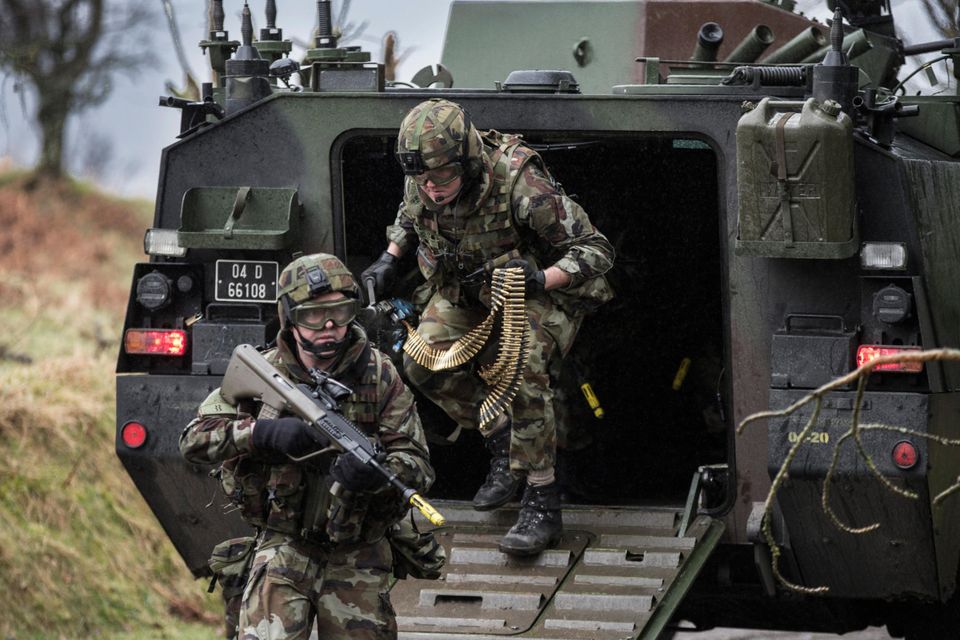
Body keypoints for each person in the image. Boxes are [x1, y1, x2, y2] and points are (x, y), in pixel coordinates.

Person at [362, 98, 614, 556]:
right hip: (467, 290)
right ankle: (501, 438)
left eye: (443, 179)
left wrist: (542, 277)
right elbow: (409, 217)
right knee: (420, 364)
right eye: (423, 180)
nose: (433, 190)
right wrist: (390, 258)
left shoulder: (520, 183)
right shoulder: (423, 176)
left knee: (521, 370)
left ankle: (541, 499)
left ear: (468, 161)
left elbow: (596, 251)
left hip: (540, 290)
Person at [180, 253, 434, 640]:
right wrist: (261, 434)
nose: (330, 327)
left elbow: (417, 463)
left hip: (357, 548)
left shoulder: (380, 375)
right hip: (284, 541)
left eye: (341, 312)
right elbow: (193, 440)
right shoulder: (265, 371)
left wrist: (377, 476)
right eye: (314, 316)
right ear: (290, 317)